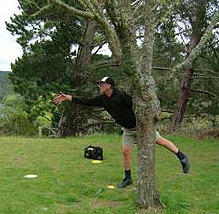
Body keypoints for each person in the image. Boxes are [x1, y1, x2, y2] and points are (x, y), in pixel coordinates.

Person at [53, 76, 190, 188]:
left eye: (102, 84)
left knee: (160, 141)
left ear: (109, 86)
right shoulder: (102, 99)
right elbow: (86, 101)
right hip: (128, 130)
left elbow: (138, 106)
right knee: (126, 152)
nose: (99, 86)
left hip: (141, 127)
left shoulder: (122, 95)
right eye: (99, 84)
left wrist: (148, 119)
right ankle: (128, 178)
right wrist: (68, 97)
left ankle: (182, 157)